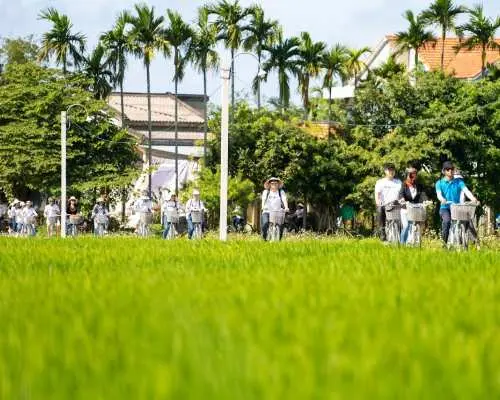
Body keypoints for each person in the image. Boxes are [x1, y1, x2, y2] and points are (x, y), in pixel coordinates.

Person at [435, 161, 478, 245]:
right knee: (447, 222)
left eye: (451, 169)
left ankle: (474, 243)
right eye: (448, 169)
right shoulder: (439, 183)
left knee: (468, 221)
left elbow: (466, 191)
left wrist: (473, 198)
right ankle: (444, 243)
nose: (450, 171)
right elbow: (439, 195)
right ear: (443, 171)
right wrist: (442, 199)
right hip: (445, 208)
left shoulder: (459, 182)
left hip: (457, 207)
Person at [374, 163, 402, 242]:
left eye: (393, 170)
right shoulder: (380, 182)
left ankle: (401, 237)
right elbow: (377, 194)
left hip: (396, 205)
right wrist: (378, 202)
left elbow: (401, 193)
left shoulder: (398, 182)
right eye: (389, 170)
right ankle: (383, 233)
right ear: (385, 171)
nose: (391, 172)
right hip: (384, 204)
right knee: (379, 209)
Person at [399, 167, 428, 243]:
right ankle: (402, 243)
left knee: (419, 225)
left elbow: (423, 194)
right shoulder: (404, 185)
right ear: (407, 175)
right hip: (405, 209)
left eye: (415, 175)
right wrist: (402, 199)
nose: (413, 177)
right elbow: (401, 194)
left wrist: (425, 201)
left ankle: (416, 242)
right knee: (406, 226)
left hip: (415, 209)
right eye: (411, 175)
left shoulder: (418, 186)